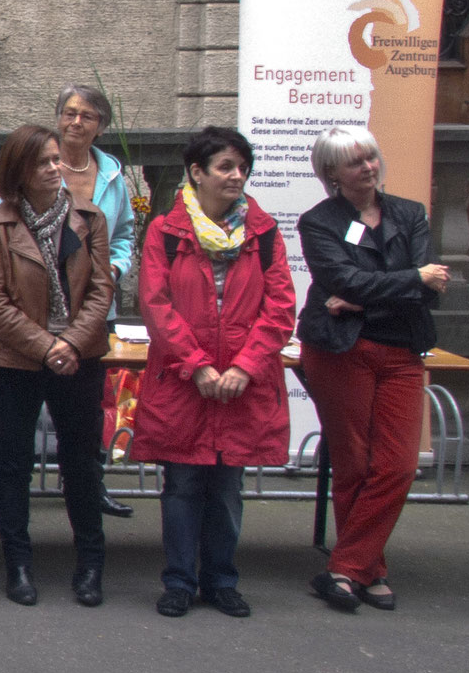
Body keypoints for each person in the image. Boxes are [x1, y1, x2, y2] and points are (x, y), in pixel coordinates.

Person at [133, 126, 294, 620]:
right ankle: (179, 581)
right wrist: (197, 365)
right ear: (197, 173)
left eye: (242, 167)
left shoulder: (264, 234)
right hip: (185, 383)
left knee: (227, 488)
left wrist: (245, 367)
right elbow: (156, 306)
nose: (236, 175)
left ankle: (222, 580)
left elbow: (281, 308)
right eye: (225, 167)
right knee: (182, 484)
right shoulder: (165, 230)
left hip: (241, 386)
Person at [296, 126, 446, 612]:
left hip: (402, 351)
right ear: (332, 173)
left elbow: (428, 288)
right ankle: (369, 569)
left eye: (371, 157)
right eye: (355, 161)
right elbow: (341, 279)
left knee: (398, 465)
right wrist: (405, 282)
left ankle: (345, 569)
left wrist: (363, 297)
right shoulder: (318, 222)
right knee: (355, 464)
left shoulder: (410, 213)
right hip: (341, 352)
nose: (368, 167)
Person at [0, 125, 115, 607]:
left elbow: (101, 289)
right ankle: (18, 562)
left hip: (81, 357)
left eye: (58, 160)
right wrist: (45, 346)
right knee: (12, 462)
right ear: (19, 173)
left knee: (82, 461)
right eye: (45, 163)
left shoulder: (88, 218)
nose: (57, 169)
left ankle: (90, 564)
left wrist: (70, 343)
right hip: (17, 360)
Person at [51, 83, 139, 518]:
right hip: (42, 303)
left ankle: (89, 483)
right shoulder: (39, 165)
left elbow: (123, 235)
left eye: (86, 116)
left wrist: (114, 271)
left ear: (100, 126)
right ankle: (14, 481)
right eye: (69, 113)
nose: (76, 122)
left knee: (90, 406)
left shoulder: (111, 176)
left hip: (95, 304)